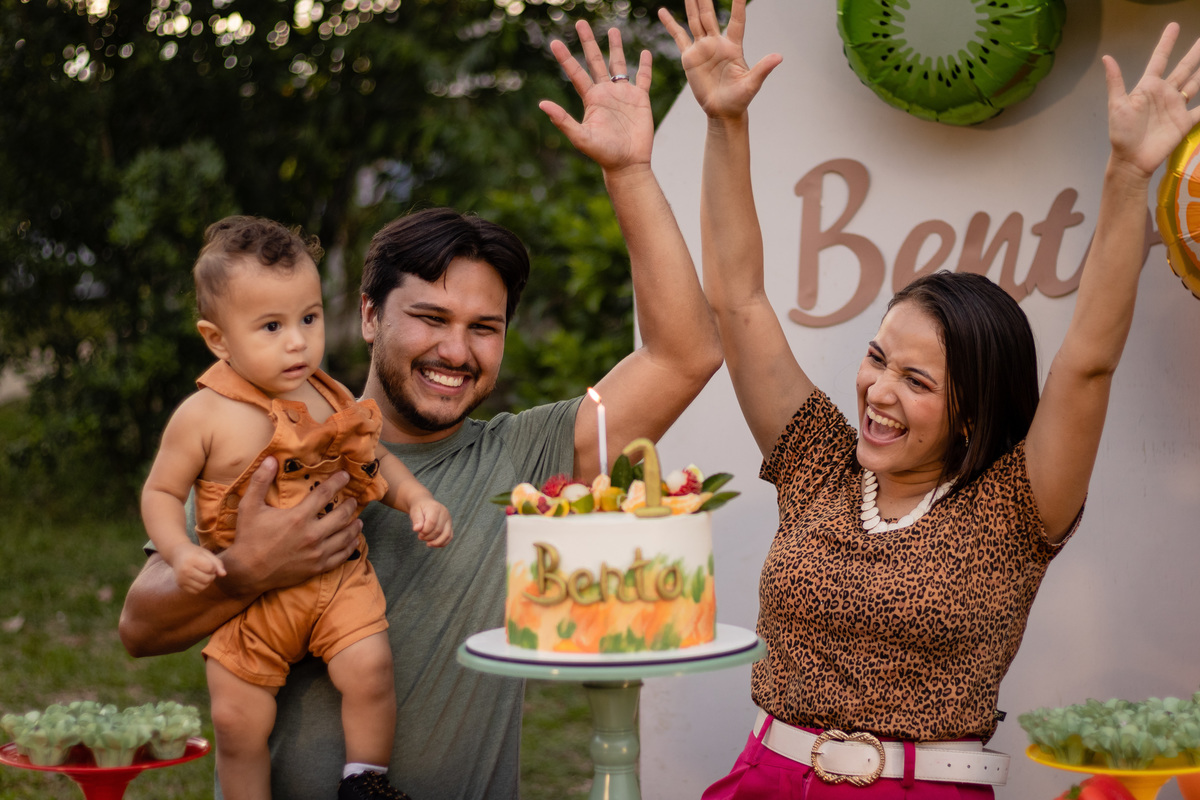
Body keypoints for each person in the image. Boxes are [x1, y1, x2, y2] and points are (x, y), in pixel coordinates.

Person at [119, 19, 723, 800]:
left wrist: (630, 172)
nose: (456, 351)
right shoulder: (274, 437)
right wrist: (249, 570)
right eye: (431, 319)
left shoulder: (527, 460)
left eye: (484, 328)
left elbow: (686, 354)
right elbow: (141, 628)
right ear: (369, 316)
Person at [659, 0, 1200, 796]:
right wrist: (724, 123)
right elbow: (739, 301)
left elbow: (1086, 363)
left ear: (974, 412)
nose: (878, 392)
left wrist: (1127, 174)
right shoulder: (819, 463)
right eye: (878, 359)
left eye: (917, 382)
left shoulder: (1018, 508)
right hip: (765, 781)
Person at [140, 216, 453, 800]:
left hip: (338, 579)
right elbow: (159, 493)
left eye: (308, 318)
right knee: (237, 722)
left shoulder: (328, 394)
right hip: (251, 605)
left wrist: (418, 499)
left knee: (370, 670)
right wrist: (181, 553)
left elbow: (375, 456)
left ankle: (364, 780)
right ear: (217, 339)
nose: (297, 341)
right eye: (271, 326)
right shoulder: (204, 416)